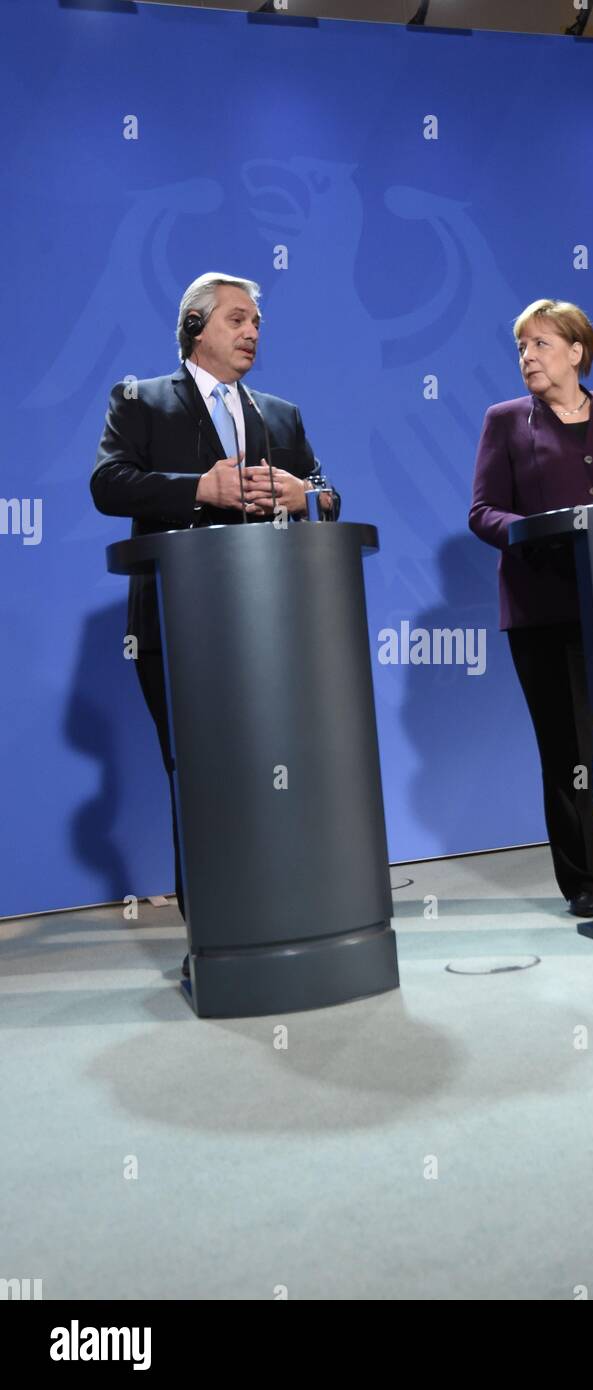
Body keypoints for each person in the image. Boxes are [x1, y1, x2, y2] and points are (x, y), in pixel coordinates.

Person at [91, 272, 337, 975]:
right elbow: (108, 484)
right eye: (237, 319)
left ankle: (287, 912)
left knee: (276, 769)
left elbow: (327, 491)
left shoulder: (280, 415)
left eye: (257, 321)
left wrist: (306, 494)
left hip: (275, 626)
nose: (252, 330)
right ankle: (219, 940)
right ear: (197, 326)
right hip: (178, 622)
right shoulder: (141, 400)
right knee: (200, 773)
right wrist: (198, 488)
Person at [469, 298, 593, 920]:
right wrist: (534, 529)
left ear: (576, 352)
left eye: (540, 344)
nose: (527, 357)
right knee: (568, 751)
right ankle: (585, 882)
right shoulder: (505, 421)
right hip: (545, 610)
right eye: (522, 347)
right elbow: (483, 512)